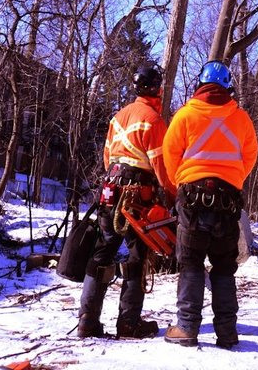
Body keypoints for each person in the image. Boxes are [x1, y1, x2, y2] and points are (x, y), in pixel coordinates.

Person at [161, 60, 258, 348]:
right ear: (228, 87)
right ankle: (227, 333)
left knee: (191, 263)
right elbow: (250, 155)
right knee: (224, 266)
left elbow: (169, 156)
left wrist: (181, 181)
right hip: (228, 202)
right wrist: (234, 178)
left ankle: (187, 328)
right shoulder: (241, 119)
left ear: (200, 84)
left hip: (191, 198)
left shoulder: (185, 115)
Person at [77, 63, 176, 339]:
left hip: (110, 190)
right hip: (137, 196)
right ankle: (129, 323)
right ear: (158, 88)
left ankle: (87, 320)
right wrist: (172, 196)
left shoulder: (117, 117)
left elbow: (108, 159)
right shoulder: (153, 121)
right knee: (136, 256)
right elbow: (161, 167)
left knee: (102, 252)